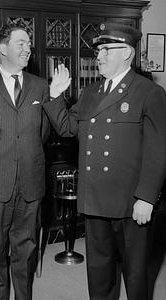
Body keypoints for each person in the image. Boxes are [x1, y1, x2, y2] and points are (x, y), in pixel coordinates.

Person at [43, 22, 166, 300]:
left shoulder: (149, 93)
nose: (99, 56)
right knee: (99, 275)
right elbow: (68, 129)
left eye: (106, 49)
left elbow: (158, 149)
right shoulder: (91, 92)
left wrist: (147, 197)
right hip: (96, 198)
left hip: (130, 203)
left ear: (127, 53)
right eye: (98, 50)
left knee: (136, 277)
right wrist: (55, 96)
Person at [0, 24, 69, 300]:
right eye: (21, 43)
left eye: (29, 44)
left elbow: (44, 131)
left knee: (26, 253)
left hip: (31, 185)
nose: (28, 49)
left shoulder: (40, 86)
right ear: (2, 48)